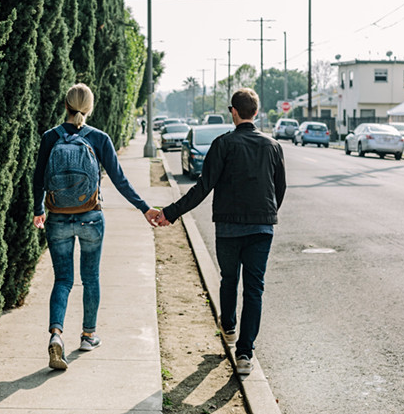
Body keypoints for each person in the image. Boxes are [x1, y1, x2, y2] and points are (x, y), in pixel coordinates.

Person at [155, 88, 286, 375]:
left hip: (228, 227)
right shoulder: (273, 146)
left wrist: (170, 213)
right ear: (256, 111)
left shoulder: (223, 144)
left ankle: (228, 327)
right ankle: (245, 355)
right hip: (262, 228)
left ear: (233, 111)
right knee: (255, 289)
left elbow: (203, 188)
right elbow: (280, 189)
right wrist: (266, 214)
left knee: (229, 279)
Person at [33, 83, 159, 370]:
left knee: (63, 280)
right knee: (90, 278)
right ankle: (88, 335)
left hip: (58, 219)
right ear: (89, 108)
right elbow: (119, 179)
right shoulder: (99, 138)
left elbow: (38, 178)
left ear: (65, 105)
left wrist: (38, 210)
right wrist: (144, 208)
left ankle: (56, 334)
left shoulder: (50, 137)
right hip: (91, 217)